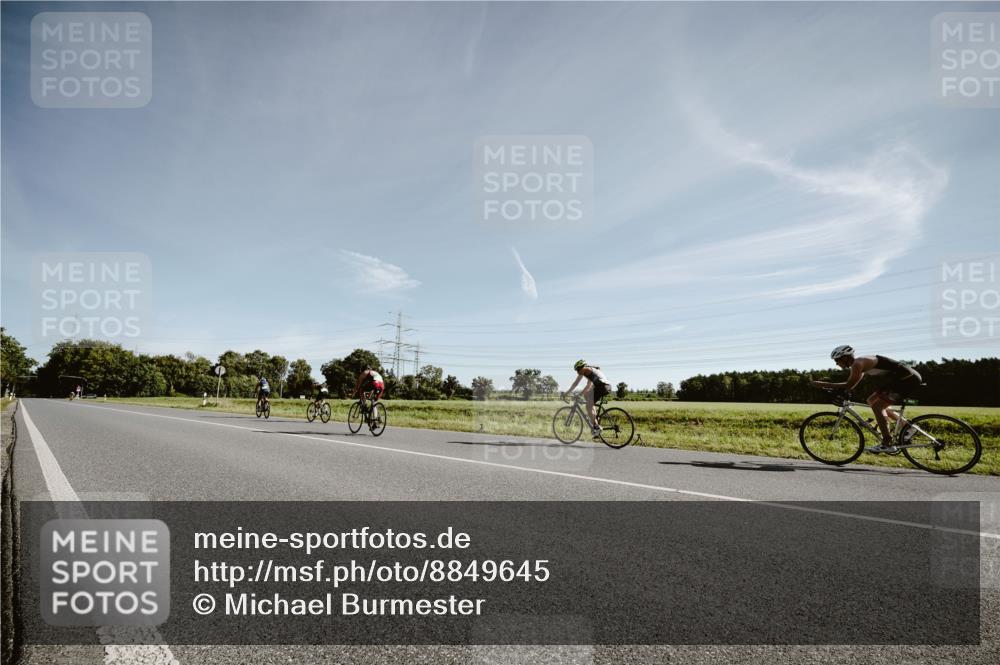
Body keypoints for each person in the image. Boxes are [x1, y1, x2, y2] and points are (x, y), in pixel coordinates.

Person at [811, 345, 922, 453]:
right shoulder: (860, 364)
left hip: (907, 379)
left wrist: (824, 384)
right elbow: (851, 385)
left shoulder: (858, 364)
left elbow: (848, 384)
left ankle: (887, 443)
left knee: (877, 406)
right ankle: (906, 426)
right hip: (902, 379)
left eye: (837, 360)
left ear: (844, 358)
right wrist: (842, 392)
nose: (836, 363)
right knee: (871, 400)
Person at [562, 360, 612, 439]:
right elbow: (588, 386)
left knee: (588, 406)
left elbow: (576, 383)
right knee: (587, 395)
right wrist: (580, 395)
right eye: (576, 370)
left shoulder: (586, 370)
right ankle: (595, 420)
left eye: (578, 369)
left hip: (602, 387)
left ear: (583, 367)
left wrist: (567, 393)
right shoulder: (590, 371)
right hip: (606, 387)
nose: (577, 372)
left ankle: (597, 427)